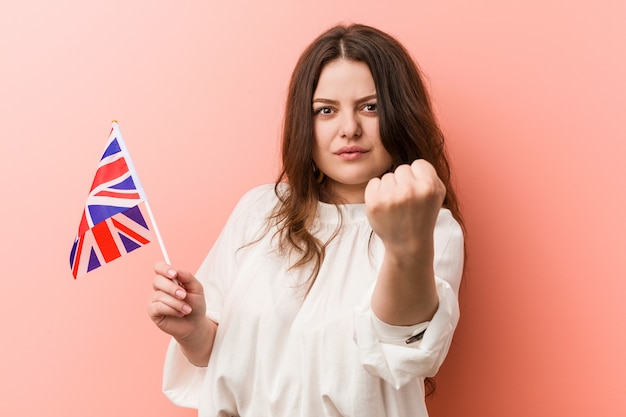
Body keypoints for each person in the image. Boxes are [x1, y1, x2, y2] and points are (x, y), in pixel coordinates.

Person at [148, 23, 465, 417]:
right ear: (305, 121)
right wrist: (193, 329)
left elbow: (402, 351)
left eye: (371, 106)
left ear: (400, 113)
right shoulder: (259, 210)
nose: (349, 129)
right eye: (326, 110)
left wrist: (406, 243)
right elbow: (222, 357)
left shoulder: (432, 226)